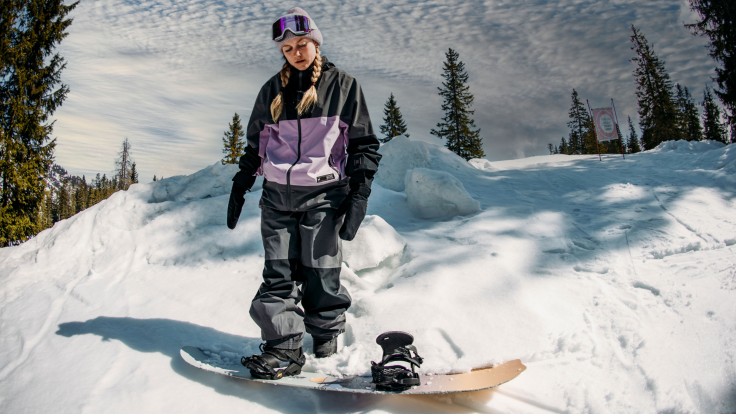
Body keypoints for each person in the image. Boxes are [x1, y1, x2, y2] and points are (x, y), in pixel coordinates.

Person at [226, 7, 381, 380]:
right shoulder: (272, 90)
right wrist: (241, 182)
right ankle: (284, 349)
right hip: (277, 198)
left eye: (301, 44)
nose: (295, 52)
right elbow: (256, 146)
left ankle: (326, 342)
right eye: (287, 48)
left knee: (322, 273)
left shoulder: (342, 86)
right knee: (277, 274)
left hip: (325, 198)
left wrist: (359, 193)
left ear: (315, 42)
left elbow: (364, 145)